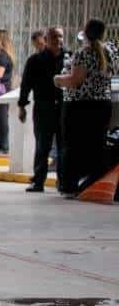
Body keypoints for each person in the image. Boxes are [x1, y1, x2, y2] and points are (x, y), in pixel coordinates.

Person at [55, 18, 118, 195]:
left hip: (79, 106)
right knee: (97, 145)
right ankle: (94, 183)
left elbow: (76, 80)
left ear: (86, 32)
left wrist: (58, 80)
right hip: (102, 105)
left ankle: (70, 186)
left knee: (73, 146)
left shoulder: (85, 53)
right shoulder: (110, 52)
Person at [18, 26, 66, 193]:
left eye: (60, 36)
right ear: (46, 40)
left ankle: (64, 182)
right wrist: (22, 106)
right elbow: (26, 84)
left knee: (63, 146)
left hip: (63, 107)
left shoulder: (70, 58)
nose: (58, 40)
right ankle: (38, 182)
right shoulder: (35, 60)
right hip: (43, 107)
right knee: (42, 146)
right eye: (54, 37)